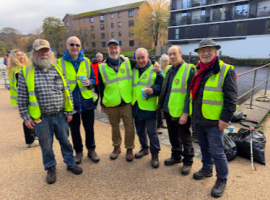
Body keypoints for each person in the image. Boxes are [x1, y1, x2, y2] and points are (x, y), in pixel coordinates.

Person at [17, 39, 82, 184]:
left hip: (60, 115)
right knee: (46, 145)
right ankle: (50, 167)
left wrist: (69, 111)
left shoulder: (57, 68)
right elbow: (22, 97)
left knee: (65, 141)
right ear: (34, 53)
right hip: (40, 118)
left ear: (50, 52)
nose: (43, 53)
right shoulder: (25, 72)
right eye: (40, 50)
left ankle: (70, 163)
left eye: (46, 50)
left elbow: (67, 92)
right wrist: (26, 118)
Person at [98, 39, 160, 162]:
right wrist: (102, 103)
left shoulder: (128, 62)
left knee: (130, 127)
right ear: (107, 50)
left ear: (119, 49)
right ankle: (117, 147)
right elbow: (100, 86)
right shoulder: (102, 67)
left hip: (127, 101)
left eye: (116, 48)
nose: (113, 50)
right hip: (111, 102)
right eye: (111, 48)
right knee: (114, 126)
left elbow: (142, 60)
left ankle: (129, 149)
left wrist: (155, 62)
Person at [190, 38, 237, 198]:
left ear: (215, 52)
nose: (206, 53)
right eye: (202, 51)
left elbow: (232, 98)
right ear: (199, 54)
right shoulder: (198, 69)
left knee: (217, 151)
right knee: (203, 147)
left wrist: (225, 118)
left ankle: (222, 178)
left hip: (215, 121)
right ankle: (207, 168)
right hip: (198, 118)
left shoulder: (225, 70)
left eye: (209, 50)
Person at [57, 36, 99, 164]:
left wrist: (89, 82)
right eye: (72, 44)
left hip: (86, 101)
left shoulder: (86, 61)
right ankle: (79, 152)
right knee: (74, 130)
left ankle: (91, 150)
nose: (75, 47)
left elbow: (93, 79)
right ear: (66, 45)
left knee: (89, 128)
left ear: (80, 47)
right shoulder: (59, 63)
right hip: (70, 103)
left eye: (77, 45)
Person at [158, 46, 195, 175]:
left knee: (185, 137)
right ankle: (176, 156)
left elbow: (191, 94)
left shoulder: (189, 69)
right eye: (170, 55)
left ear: (180, 53)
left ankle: (188, 161)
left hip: (181, 112)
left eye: (174, 54)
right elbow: (166, 90)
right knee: (173, 135)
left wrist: (186, 113)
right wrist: (163, 108)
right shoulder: (169, 69)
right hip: (169, 110)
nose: (172, 57)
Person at [132, 48, 163, 168]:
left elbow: (161, 85)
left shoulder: (155, 69)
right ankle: (144, 148)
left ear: (148, 56)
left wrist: (153, 90)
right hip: (136, 106)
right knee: (140, 131)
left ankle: (155, 155)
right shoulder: (134, 68)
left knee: (152, 132)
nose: (140, 60)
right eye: (138, 58)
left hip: (149, 107)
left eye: (142, 57)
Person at [8, 49, 39, 148]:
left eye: (22, 55)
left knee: (34, 117)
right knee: (29, 118)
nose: (21, 57)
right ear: (14, 57)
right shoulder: (19, 69)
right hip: (27, 97)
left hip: (27, 96)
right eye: (18, 55)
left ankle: (35, 135)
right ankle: (30, 140)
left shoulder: (18, 68)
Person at [157, 54, 170, 134]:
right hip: (159, 92)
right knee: (158, 109)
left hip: (166, 92)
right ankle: (158, 126)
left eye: (167, 61)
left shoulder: (170, 69)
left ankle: (162, 123)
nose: (166, 63)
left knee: (164, 108)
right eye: (164, 61)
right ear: (160, 62)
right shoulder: (158, 70)